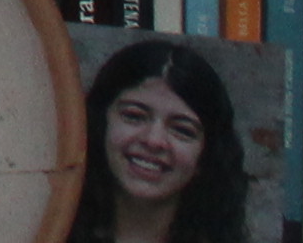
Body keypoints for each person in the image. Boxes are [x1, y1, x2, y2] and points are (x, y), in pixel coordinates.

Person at [66, 33, 248, 243]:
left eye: (182, 130)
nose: (153, 141)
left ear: (207, 154)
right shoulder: (45, 230)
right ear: (100, 124)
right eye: (134, 116)